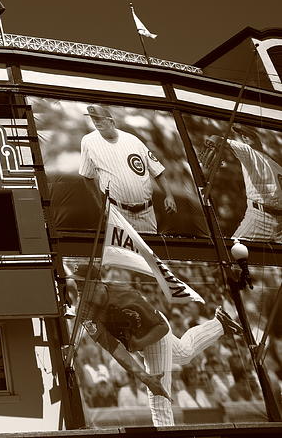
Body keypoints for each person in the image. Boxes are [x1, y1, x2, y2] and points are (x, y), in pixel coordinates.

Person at [73, 263, 243, 426]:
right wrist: (143, 376)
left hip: (153, 332)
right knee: (185, 353)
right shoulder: (84, 310)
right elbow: (114, 348)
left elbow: (161, 327)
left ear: (96, 282)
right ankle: (220, 323)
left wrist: (140, 344)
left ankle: (166, 432)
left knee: (158, 396)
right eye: (76, 283)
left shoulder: (126, 295)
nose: (78, 288)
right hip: (140, 338)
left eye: (82, 283)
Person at [79, 104, 177, 234]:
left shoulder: (133, 140)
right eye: (93, 119)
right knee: (121, 253)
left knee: (148, 251)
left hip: (145, 213)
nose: (96, 122)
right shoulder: (88, 141)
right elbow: (87, 176)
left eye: (99, 119)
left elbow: (157, 171)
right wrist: (101, 207)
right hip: (117, 212)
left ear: (111, 121)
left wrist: (169, 196)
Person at [205, 124, 282, 242]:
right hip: (259, 217)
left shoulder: (275, 164)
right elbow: (217, 139)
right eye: (242, 135)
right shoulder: (248, 152)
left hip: (280, 223)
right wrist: (214, 144)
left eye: (247, 133)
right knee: (235, 251)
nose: (244, 137)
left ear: (256, 136)